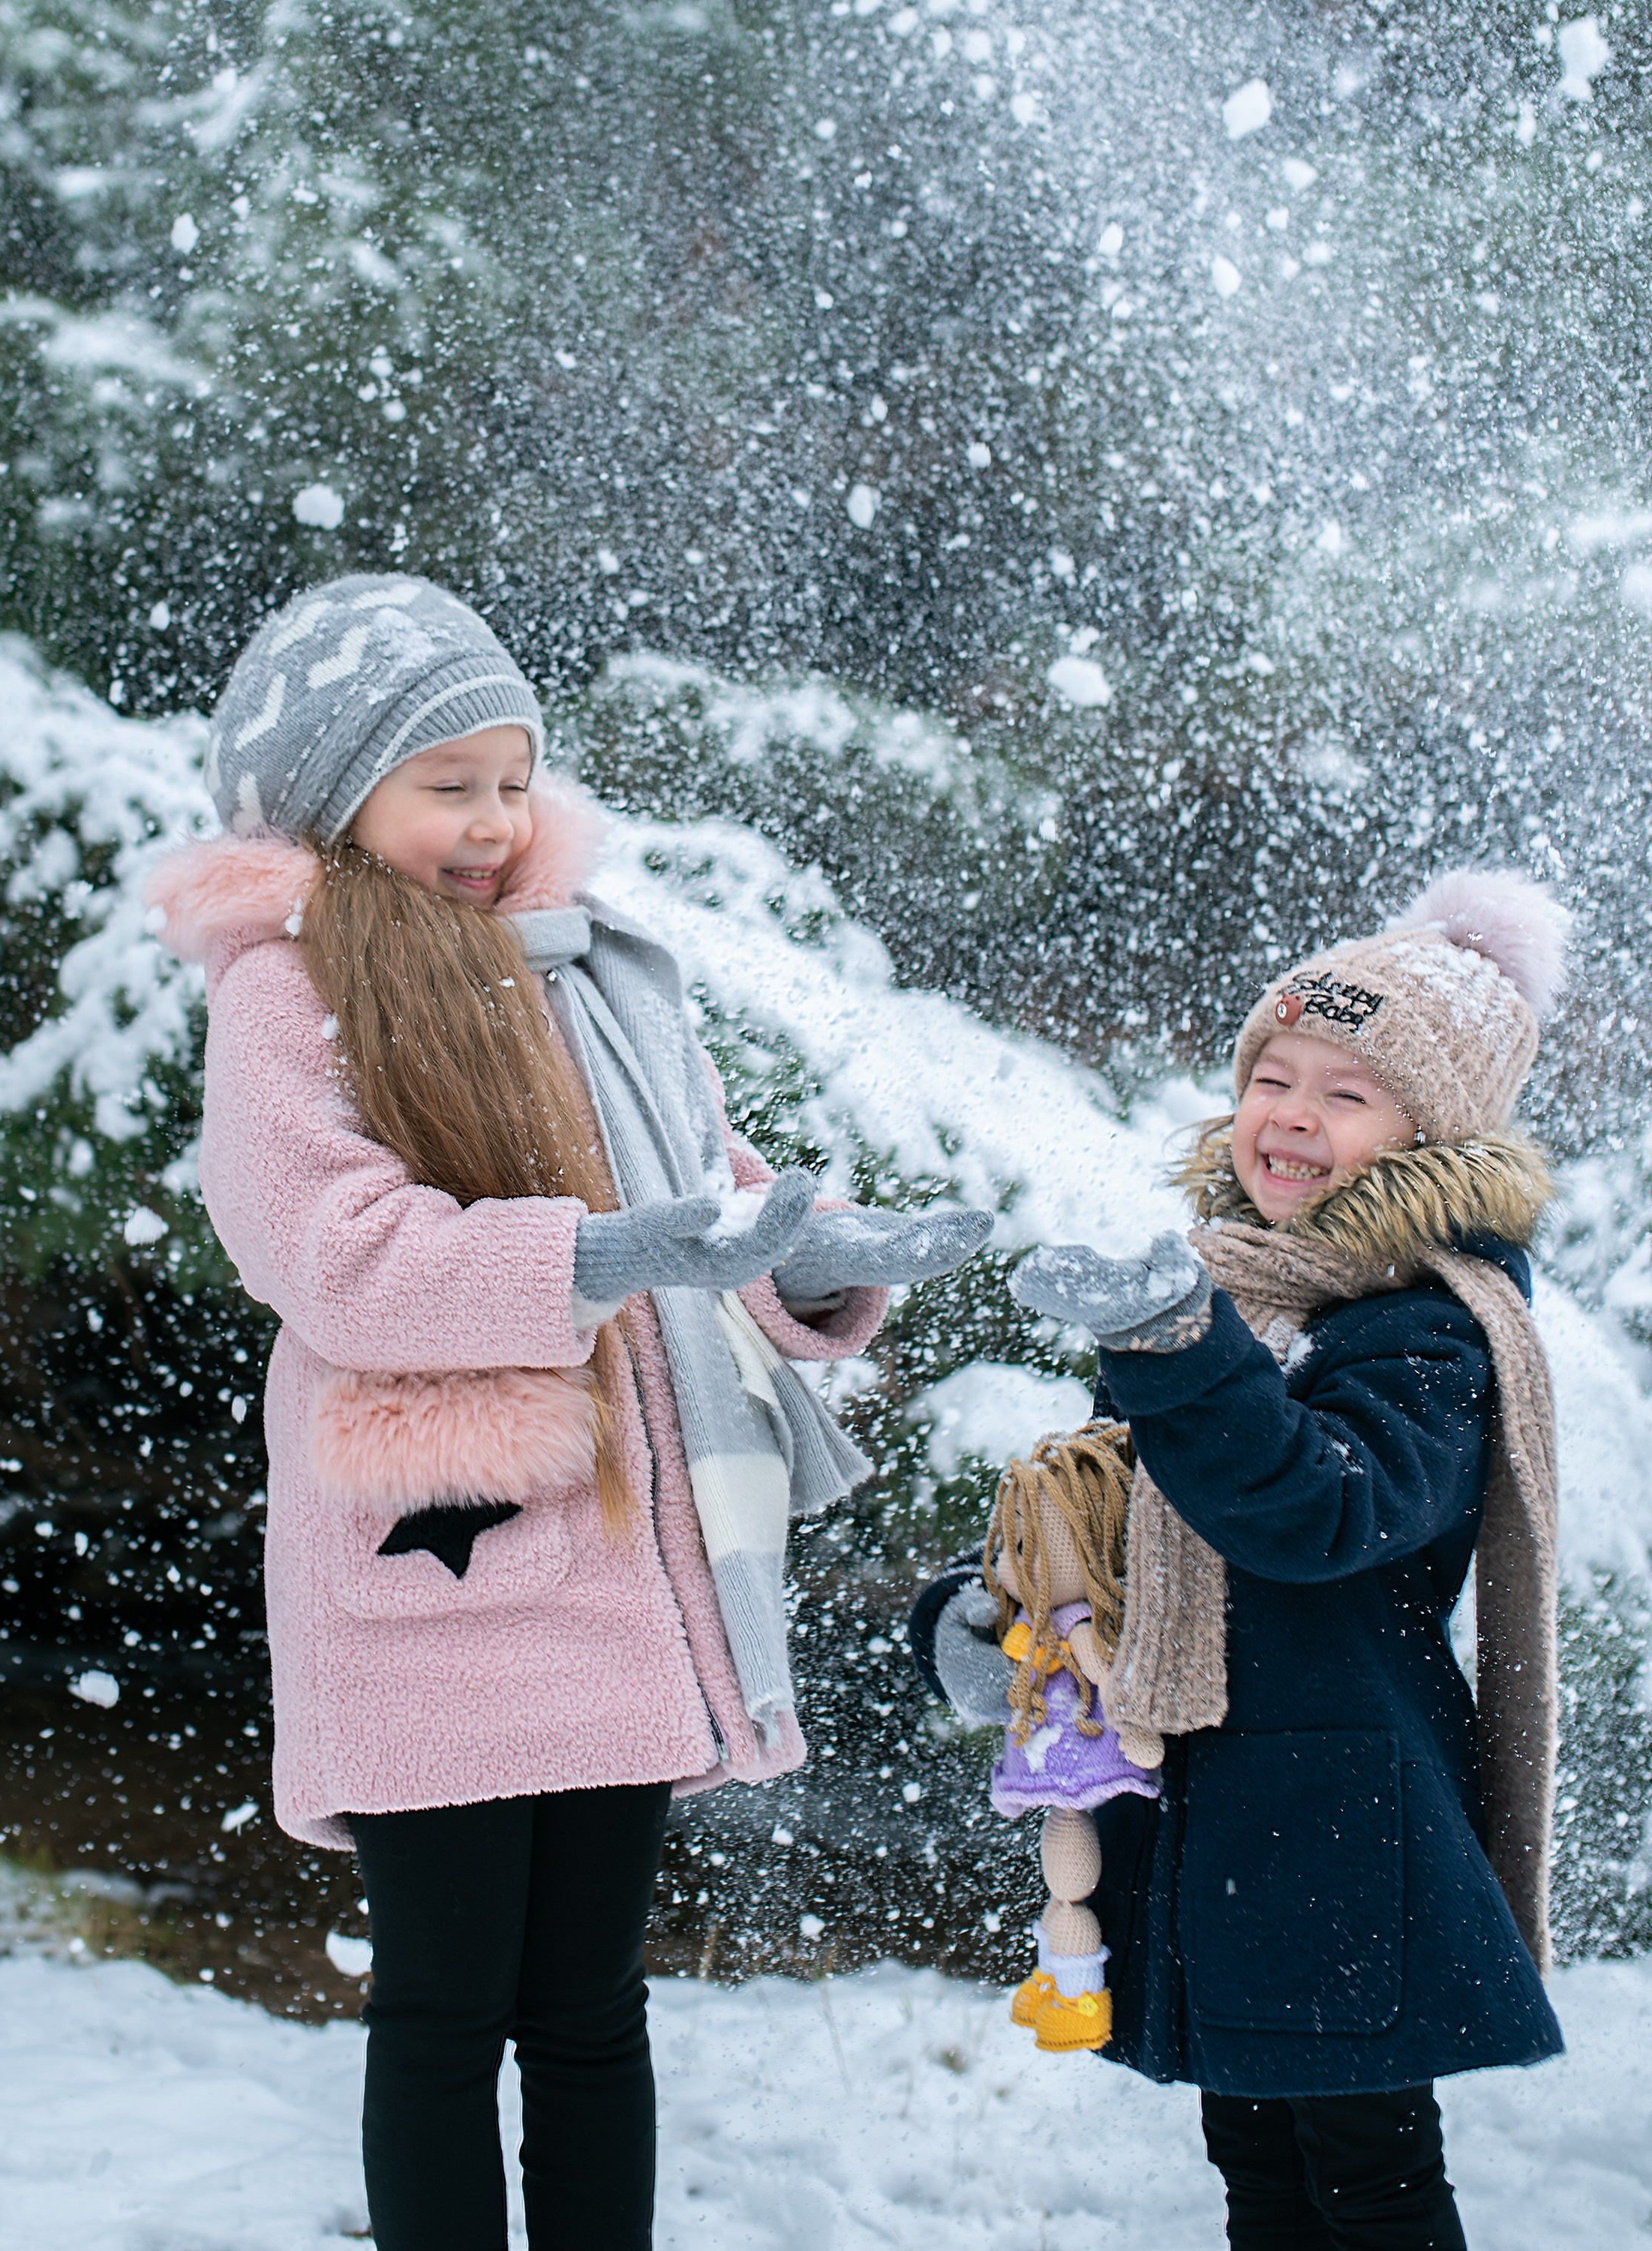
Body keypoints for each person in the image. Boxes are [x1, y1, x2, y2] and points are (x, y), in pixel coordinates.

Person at [146, 573, 991, 2251]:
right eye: (445, 784)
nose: (492, 821)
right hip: (436, 1580)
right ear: (333, 791)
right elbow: (335, 1254)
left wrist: (817, 1261)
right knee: (449, 2011)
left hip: (614, 1573)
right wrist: (603, 1256)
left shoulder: (590, 968)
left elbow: (704, 1203)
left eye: (512, 778)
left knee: (595, 2010)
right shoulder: (290, 992)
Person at [912, 870, 1569, 2251]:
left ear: (1425, 1133)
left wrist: (1174, 1343)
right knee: (1260, 2174)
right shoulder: (1245, 1291)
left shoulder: (1423, 1329)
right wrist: (996, 1618)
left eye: (1349, 1091)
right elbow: (1137, 1526)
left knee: (1373, 2182)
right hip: (1237, 1811)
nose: (1293, 1112)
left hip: (1342, 1824)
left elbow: (1315, 1512)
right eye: (1275, 1073)